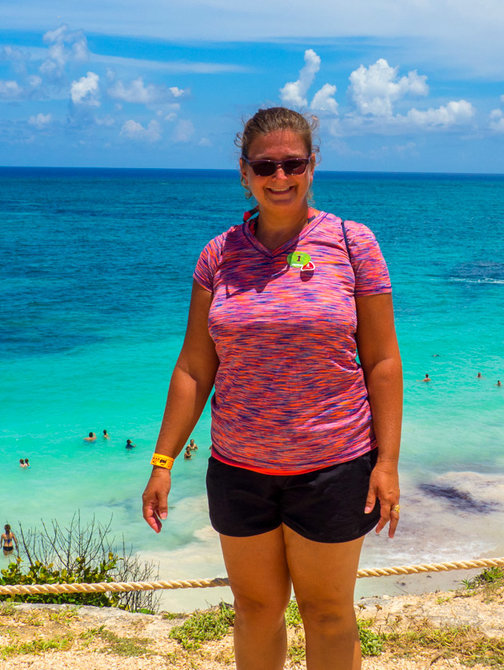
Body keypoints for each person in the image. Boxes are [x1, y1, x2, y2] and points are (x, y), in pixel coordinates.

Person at [141, 106, 403, 670]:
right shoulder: (219, 255)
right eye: (266, 165)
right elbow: (193, 368)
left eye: (293, 164)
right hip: (239, 468)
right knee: (255, 607)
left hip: (334, 465)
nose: (279, 177)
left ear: (313, 167)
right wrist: (162, 461)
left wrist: (388, 463)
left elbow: (382, 360)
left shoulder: (352, 244)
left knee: (328, 611)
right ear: (244, 172)